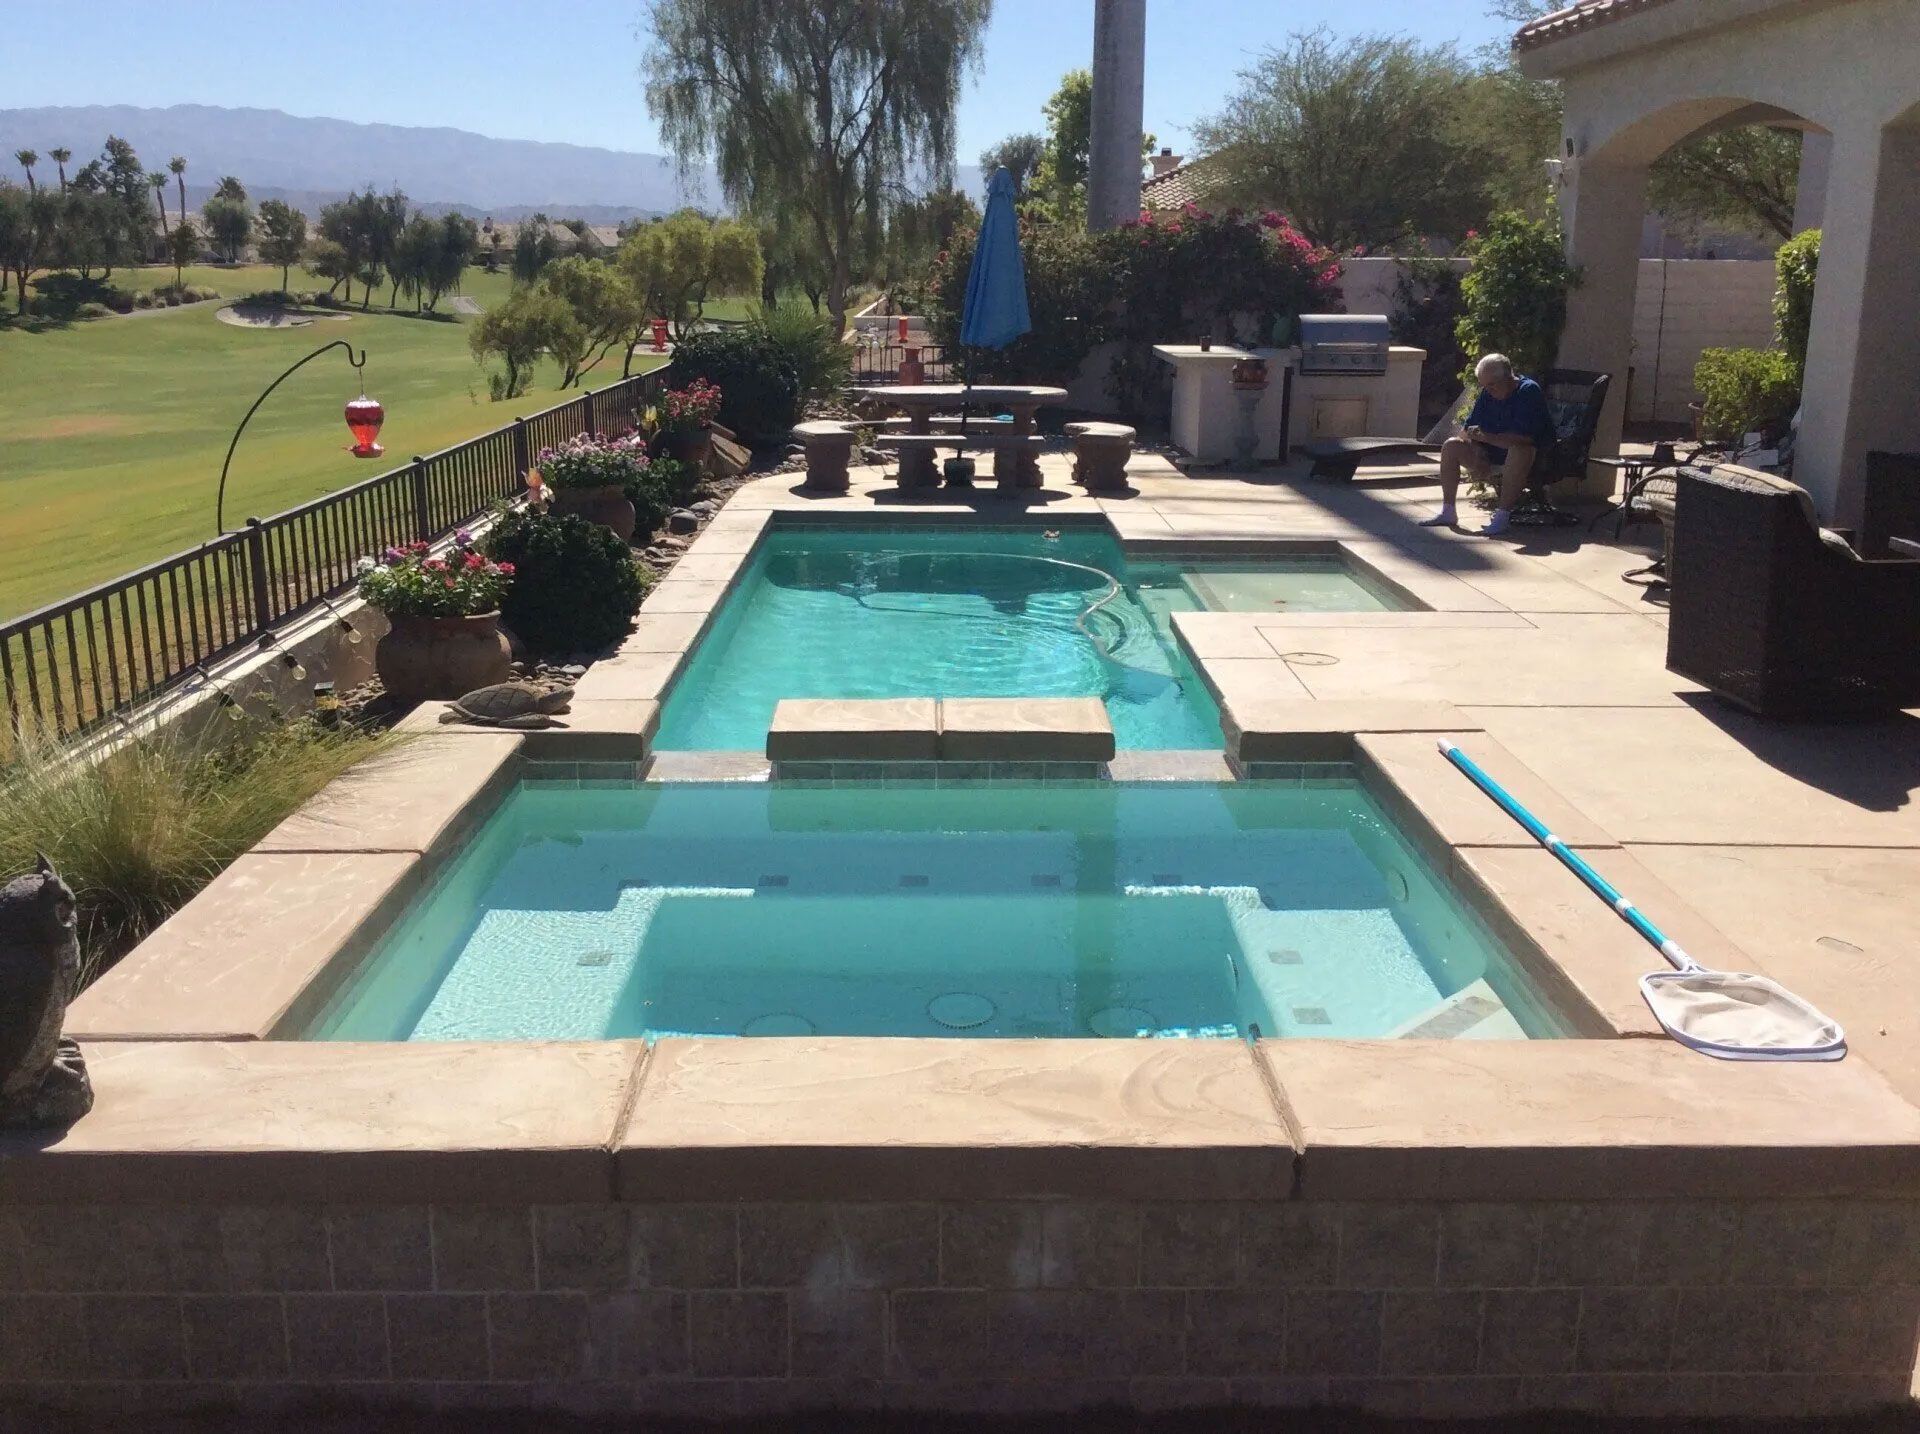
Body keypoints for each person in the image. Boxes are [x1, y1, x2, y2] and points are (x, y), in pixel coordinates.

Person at [1420, 354, 1556, 536]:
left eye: (1492, 385)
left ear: (1508, 378)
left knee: (1520, 450)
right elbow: (1468, 430)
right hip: (1492, 452)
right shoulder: (1488, 394)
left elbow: (1523, 438)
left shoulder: (1528, 391)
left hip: (1527, 458)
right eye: (1484, 386)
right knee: (1451, 446)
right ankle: (1448, 511)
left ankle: (1502, 516)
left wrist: (1487, 439)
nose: (1488, 390)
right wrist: (1478, 451)